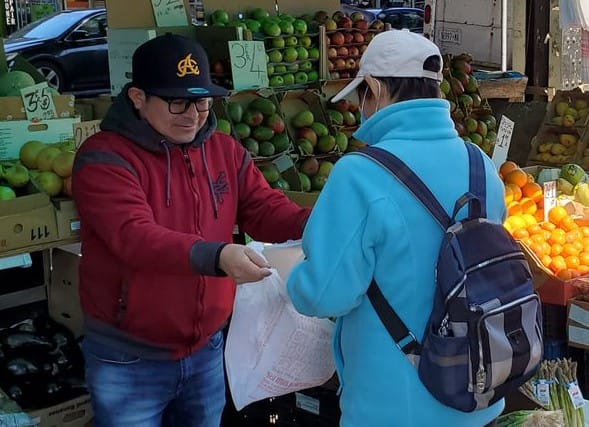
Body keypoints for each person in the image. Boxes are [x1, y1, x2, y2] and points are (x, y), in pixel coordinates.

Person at [72, 33, 310, 427]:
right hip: (129, 358)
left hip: (206, 350)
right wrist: (217, 257)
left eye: (202, 101)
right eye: (177, 101)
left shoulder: (224, 150)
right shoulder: (104, 157)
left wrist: (321, 223)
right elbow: (134, 236)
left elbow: (264, 208)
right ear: (137, 98)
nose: (193, 114)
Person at [286, 30, 505, 427]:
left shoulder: (360, 174)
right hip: (479, 390)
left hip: (395, 405)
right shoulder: (481, 165)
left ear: (374, 88)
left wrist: (289, 275)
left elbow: (323, 295)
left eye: (361, 95)